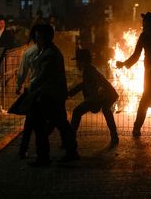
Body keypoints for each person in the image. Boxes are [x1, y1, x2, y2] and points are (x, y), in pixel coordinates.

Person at [28, 24, 79, 167]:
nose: (36, 40)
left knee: (42, 125)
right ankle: (70, 151)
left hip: (50, 95)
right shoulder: (49, 51)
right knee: (61, 124)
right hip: (53, 94)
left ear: (46, 38)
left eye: (39, 38)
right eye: (36, 38)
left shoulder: (49, 54)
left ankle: (44, 157)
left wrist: (31, 87)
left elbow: (42, 76)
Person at [68, 49, 119, 145]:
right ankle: (114, 137)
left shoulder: (88, 69)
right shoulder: (88, 68)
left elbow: (97, 82)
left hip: (104, 95)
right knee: (106, 110)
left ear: (82, 61)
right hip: (107, 94)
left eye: (78, 61)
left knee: (77, 112)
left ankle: (69, 141)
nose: (77, 64)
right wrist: (70, 93)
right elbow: (84, 84)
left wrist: (95, 96)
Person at [15, 24, 41, 158]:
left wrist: (18, 86)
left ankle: (24, 149)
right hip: (45, 90)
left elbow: (22, 72)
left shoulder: (29, 52)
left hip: (34, 90)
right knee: (57, 119)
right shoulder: (51, 51)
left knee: (30, 121)